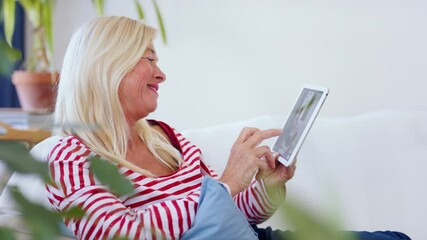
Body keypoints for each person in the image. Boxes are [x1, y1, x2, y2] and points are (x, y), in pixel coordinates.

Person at [47, 16, 411, 240]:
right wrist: (226, 184)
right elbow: (122, 234)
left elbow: (228, 214)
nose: (161, 73)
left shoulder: (166, 139)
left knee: (396, 238)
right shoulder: (68, 157)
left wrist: (267, 187)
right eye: (150, 59)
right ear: (109, 65)